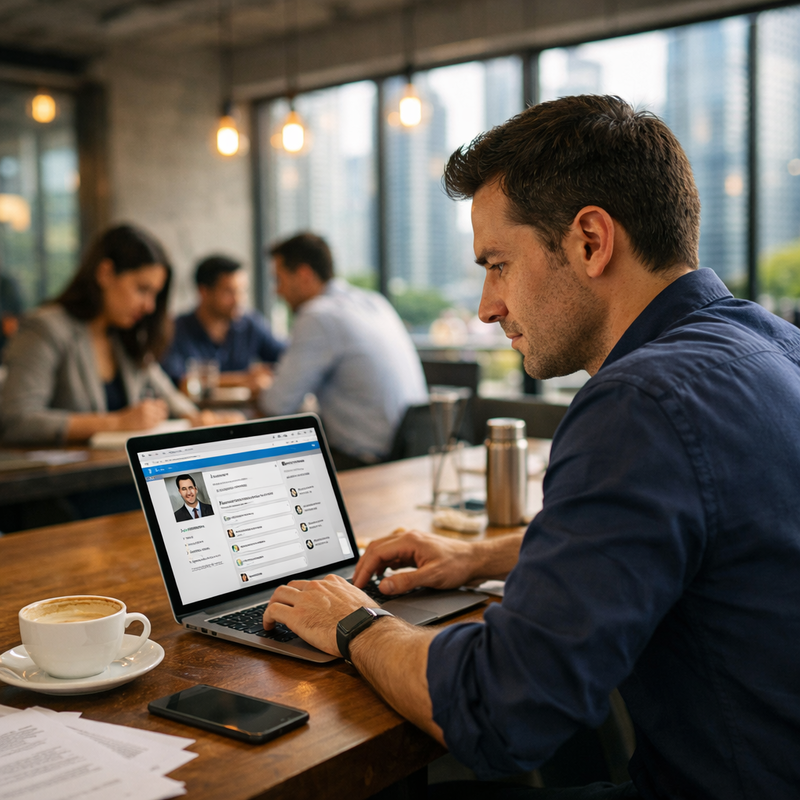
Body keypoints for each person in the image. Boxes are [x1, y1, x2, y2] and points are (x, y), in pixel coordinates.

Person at [261, 96, 800, 799]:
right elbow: (710, 531)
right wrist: (481, 556)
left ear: (589, 241)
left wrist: (354, 622)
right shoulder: (773, 347)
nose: (486, 306)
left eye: (498, 264)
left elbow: (502, 711)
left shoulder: (639, 404)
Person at [0, 224, 227, 445]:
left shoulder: (125, 335)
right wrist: (115, 422)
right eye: (141, 289)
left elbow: (168, 396)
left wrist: (201, 419)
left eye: (155, 294)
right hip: (69, 479)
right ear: (105, 273)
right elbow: (17, 420)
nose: (149, 306)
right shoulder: (45, 328)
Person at [260, 233, 428, 470]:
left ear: (304, 275)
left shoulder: (318, 315)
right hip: (415, 453)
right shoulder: (373, 301)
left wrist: (263, 386)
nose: (277, 291)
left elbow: (277, 405)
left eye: (279, 279)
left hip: (366, 462)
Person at [160, 255, 284, 391]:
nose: (239, 300)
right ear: (204, 292)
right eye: (229, 292)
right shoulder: (174, 330)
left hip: (244, 411)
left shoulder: (250, 324)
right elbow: (179, 381)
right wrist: (244, 379)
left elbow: (286, 356)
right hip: (196, 411)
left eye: (243, 291)